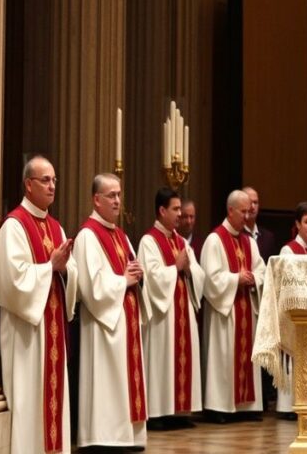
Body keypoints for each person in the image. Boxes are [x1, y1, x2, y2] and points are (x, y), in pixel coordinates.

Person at [0, 156, 78, 454]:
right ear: (28, 184)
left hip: (52, 331)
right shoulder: (13, 226)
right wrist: (49, 267)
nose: (52, 185)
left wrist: (66, 269)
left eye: (54, 180)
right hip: (27, 335)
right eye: (45, 179)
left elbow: (71, 273)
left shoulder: (57, 228)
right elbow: (12, 282)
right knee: (31, 400)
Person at [73, 173, 147, 449]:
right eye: (111, 196)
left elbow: (131, 271)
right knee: (107, 382)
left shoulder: (121, 236)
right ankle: (103, 437)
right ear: (96, 199)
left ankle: (128, 436)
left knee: (126, 382)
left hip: (125, 321)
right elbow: (90, 288)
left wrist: (138, 275)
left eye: (119, 194)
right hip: (104, 326)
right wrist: (123, 281)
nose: (117, 201)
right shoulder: (87, 236)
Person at [138, 187, 205, 428]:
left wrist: (188, 269)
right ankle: (158, 413)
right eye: (175, 209)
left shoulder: (180, 241)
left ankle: (179, 412)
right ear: (162, 210)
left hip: (183, 310)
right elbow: (151, 278)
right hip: (162, 316)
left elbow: (199, 275)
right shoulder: (149, 241)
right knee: (162, 360)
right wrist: (175, 267)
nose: (180, 214)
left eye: (181, 209)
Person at [200, 190, 266, 421]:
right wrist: (236, 278)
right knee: (224, 358)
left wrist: (253, 278)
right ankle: (220, 408)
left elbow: (261, 270)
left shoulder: (249, 242)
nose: (247, 216)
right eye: (243, 211)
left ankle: (247, 407)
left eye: (250, 211)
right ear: (230, 210)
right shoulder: (214, 240)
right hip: (225, 313)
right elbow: (210, 279)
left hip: (246, 306)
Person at [274, 201, 307, 420]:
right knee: (293, 356)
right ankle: (288, 406)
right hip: (295, 314)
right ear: (297, 224)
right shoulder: (287, 251)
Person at [241, 186, 277, 262]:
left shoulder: (269, 237)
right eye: (250, 202)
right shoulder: (236, 235)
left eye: (255, 202)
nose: (253, 206)